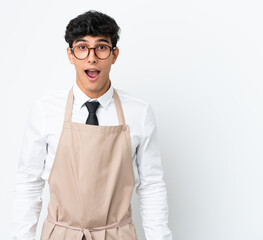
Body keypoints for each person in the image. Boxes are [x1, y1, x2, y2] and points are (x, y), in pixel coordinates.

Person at [12, 10, 173, 240]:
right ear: (70, 54)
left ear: (114, 55)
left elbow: (152, 186)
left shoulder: (139, 112)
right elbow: (28, 183)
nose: (91, 57)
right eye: (82, 47)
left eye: (101, 47)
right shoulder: (44, 111)